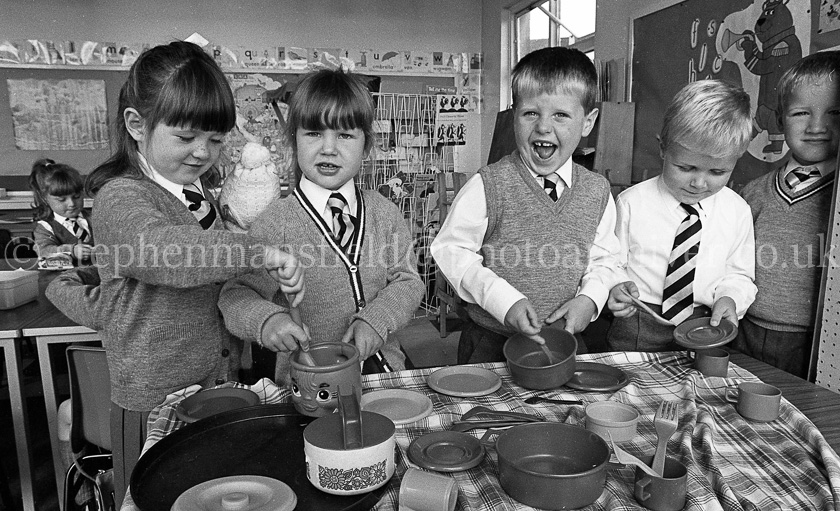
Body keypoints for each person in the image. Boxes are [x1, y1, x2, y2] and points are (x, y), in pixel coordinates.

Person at [45, 40, 305, 505]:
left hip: (214, 389)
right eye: (186, 138)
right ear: (137, 125)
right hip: (154, 404)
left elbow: (218, 279)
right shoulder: (121, 197)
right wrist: (258, 251)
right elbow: (167, 252)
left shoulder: (200, 194)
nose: (203, 152)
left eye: (216, 139)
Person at [218, 68, 425, 388]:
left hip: (383, 376)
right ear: (294, 141)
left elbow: (408, 281)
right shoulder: (275, 222)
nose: (329, 148)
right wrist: (267, 319)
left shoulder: (385, 213)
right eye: (314, 133)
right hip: (307, 385)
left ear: (366, 147)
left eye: (345, 135)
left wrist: (376, 320)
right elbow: (235, 294)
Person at [430, 47, 623, 364]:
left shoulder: (597, 191)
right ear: (514, 115)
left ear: (588, 122)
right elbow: (452, 250)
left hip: (564, 342)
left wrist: (591, 298)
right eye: (531, 113)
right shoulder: (488, 185)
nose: (544, 127)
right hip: (491, 343)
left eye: (561, 115)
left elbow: (605, 259)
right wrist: (503, 301)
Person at [606, 80, 757, 351]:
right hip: (639, 320)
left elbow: (739, 274)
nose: (699, 183)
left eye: (717, 172)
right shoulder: (631, 203)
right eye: (686, 168)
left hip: (705, 324)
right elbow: (611, 262)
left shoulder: (737, 211)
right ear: (663, 148)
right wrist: (617, 285)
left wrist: (731, 298)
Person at [734, 51, 840, 378]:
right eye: (801, 113)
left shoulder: (837, 201)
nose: (817, 127)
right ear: (780, 120)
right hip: (744, 331)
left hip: (813, 344)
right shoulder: (752, 193)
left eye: (835, 112)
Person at [29, 158, 94, 265]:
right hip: (66, 274)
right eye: (62, 200)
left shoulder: (94, 217)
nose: (71, 204)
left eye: (76, 197)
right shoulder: (45, 227)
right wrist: (71, 251)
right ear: (45, 198)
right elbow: (44, 251)